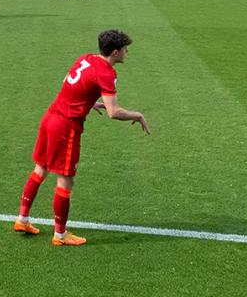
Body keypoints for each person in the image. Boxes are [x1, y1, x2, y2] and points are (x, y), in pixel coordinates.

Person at [13, 30, 150, 246]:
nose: (127, 52)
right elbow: (113, 112)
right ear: (115, 52)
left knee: (40, 169)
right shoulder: (107, 73)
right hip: (66, 127)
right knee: (65, 180)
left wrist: (88, 102)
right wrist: (138, 115)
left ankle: (22, 219)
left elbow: (72, 84)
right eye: (125, 49)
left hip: (50, 117)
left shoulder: (86, 58)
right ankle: (60, 235)